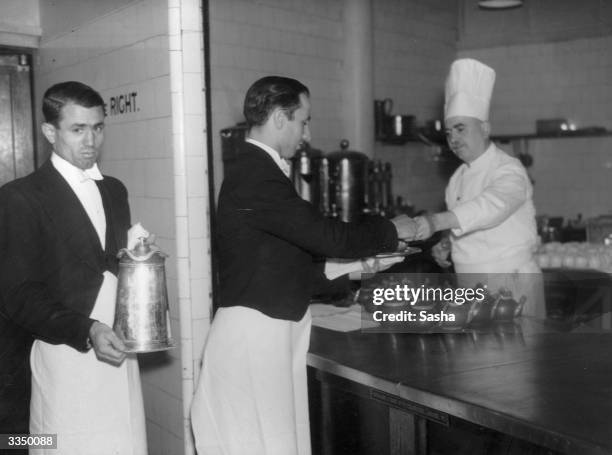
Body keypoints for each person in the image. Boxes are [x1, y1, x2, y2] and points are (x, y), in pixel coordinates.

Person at [190, 75, 417, 455]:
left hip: (270, 336)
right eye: (303, 120)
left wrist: (361, 267)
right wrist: (390, 229)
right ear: (280, 117)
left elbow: (289, 265)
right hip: (253, 342)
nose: (307, 133)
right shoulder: (256, 176)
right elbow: (328, 237)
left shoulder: (262, 171)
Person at [0, 81, 148, 454]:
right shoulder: (21, 197)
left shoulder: (115, 190)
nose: (91, 141)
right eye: (77, 129)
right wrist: (87, 330)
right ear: (50, 132)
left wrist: (140, 259)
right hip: (66, 353)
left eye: (97, 128)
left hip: (118, 352)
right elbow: (17, 295)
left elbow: (110, 266)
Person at [413, 59, 545, 318]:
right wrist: (448, 243)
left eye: (461, 129)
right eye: (449, 132)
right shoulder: (457, 178)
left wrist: (436, 221)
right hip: (470, 285)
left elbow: (492, 206)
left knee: (514, 356)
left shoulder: (509, 169)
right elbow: (469, 225)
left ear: (485, 128)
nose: (453, 139)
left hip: (511, 284)